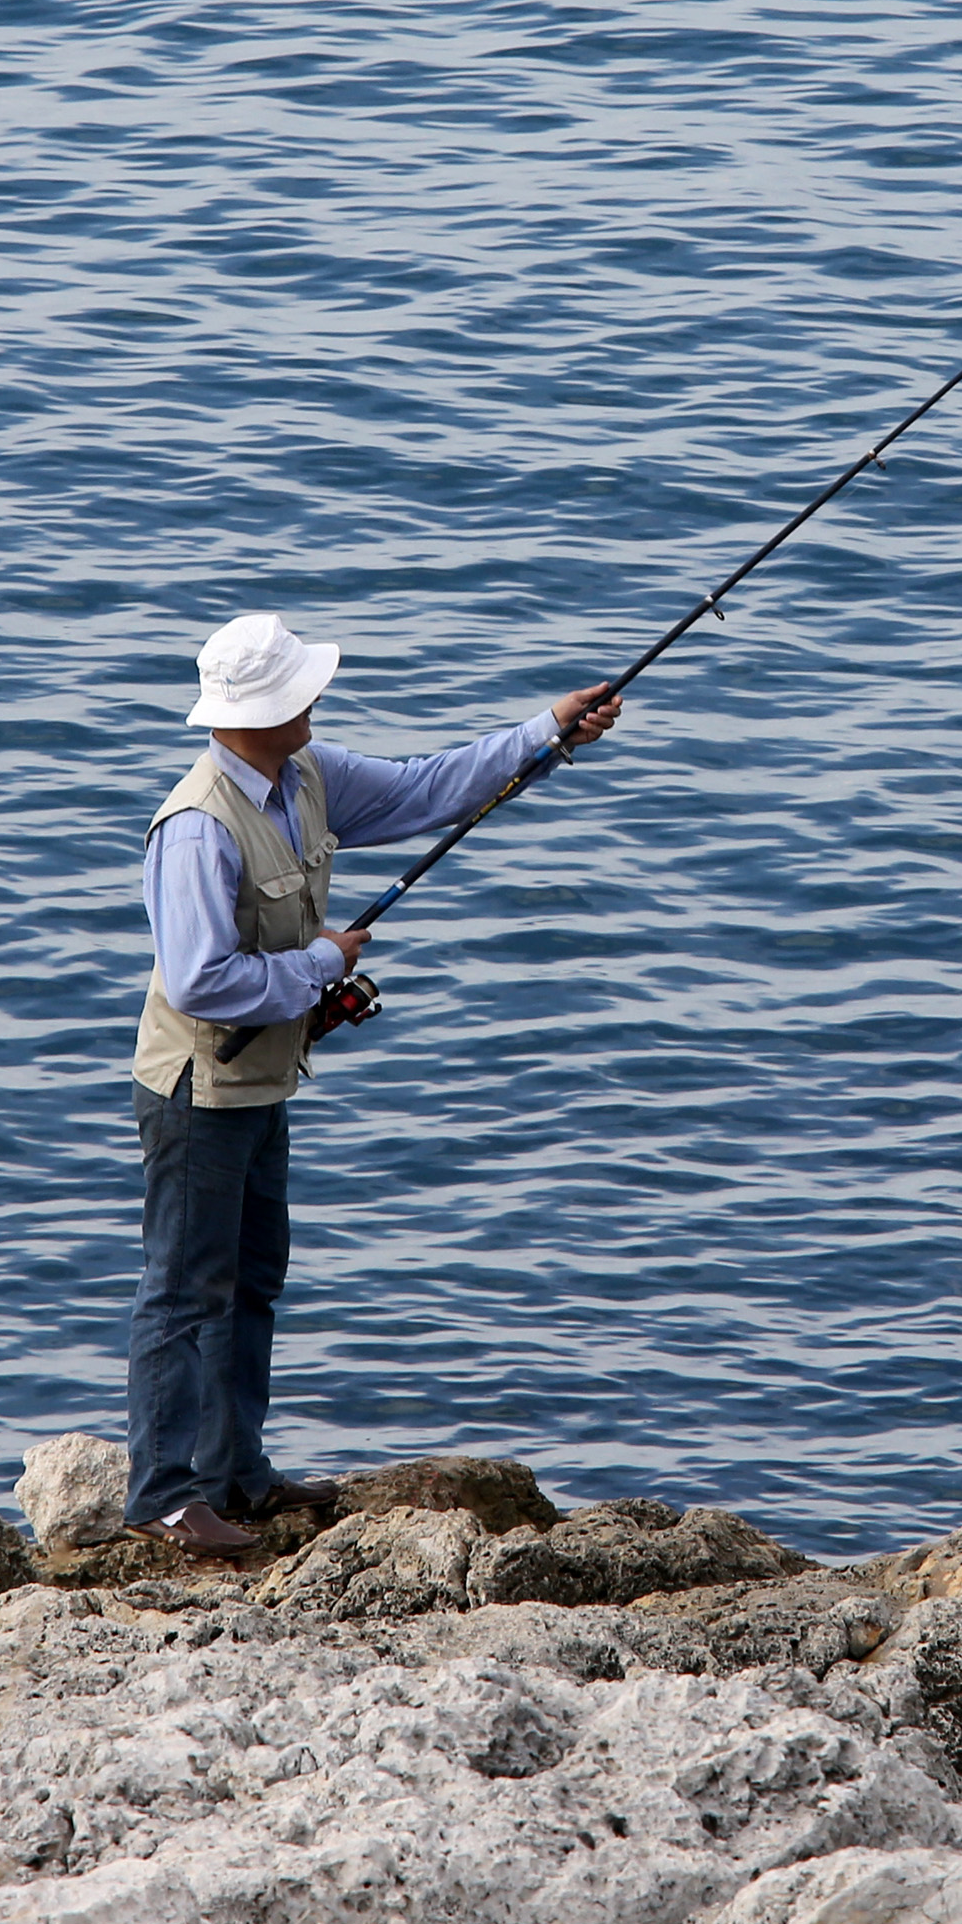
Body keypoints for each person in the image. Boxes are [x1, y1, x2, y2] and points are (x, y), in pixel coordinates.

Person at [125, 612, 621, 1557]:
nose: (316, 699)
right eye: (300, 691)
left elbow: (427, 790)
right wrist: (318, 962)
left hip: (265, 1079)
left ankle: (236, 1475)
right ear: (261, 711)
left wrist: (545, 731)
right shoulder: (196, 827)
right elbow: (196, 977)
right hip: (197, 1090)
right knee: (185, 1292)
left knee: (253, 1279)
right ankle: (161, 1494)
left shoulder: (307, 774)